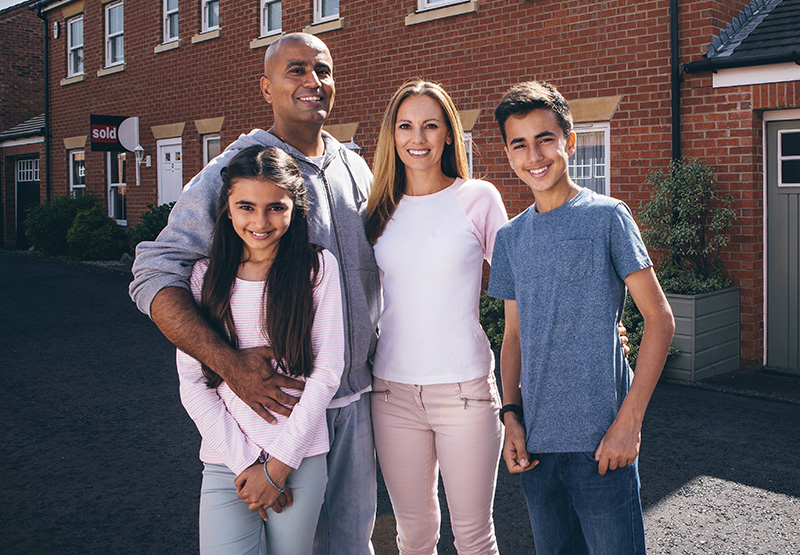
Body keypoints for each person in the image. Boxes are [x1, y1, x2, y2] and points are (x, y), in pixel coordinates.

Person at [130, 33, 379, 555]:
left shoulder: (354, 166)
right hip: (273, 410)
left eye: (323, 70)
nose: (313, 81)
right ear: (266, 87)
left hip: (355, 400)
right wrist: (228, 364)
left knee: (352, 545)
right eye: (296, 70)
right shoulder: (237, 170)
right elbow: (155, 271)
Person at [488, 81, 675, 555]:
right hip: (536, 449)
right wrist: (511, 418)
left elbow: (659, 319)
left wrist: (629, 424)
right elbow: (513, 338)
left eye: (545, 139)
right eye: (520, 144)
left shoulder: (607, 217)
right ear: (508, 154)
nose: (534, 154)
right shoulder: (510, 238)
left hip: (602, 447)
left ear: (570, 141)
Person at [365, 79, 507, 554]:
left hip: (465, 393)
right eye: (405, 126)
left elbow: (523, 290)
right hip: (391, 395)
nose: (417, 138)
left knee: (474, 539)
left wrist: (597, 326)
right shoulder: (377, 211)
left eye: (430, 126)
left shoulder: (478, 198)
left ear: (449, 134)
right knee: (413, 538)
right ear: (393, 135)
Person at [177, 145, 342, 554]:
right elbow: (192, 382)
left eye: (275, 208)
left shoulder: (317, 270)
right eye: (246, 206)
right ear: (227, 208)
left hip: (298, 460)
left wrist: (279, 465)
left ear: (295, 208)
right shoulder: (204, 278)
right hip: (226, 462)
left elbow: (326, 373)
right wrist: (250, 467)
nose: (259, 221)